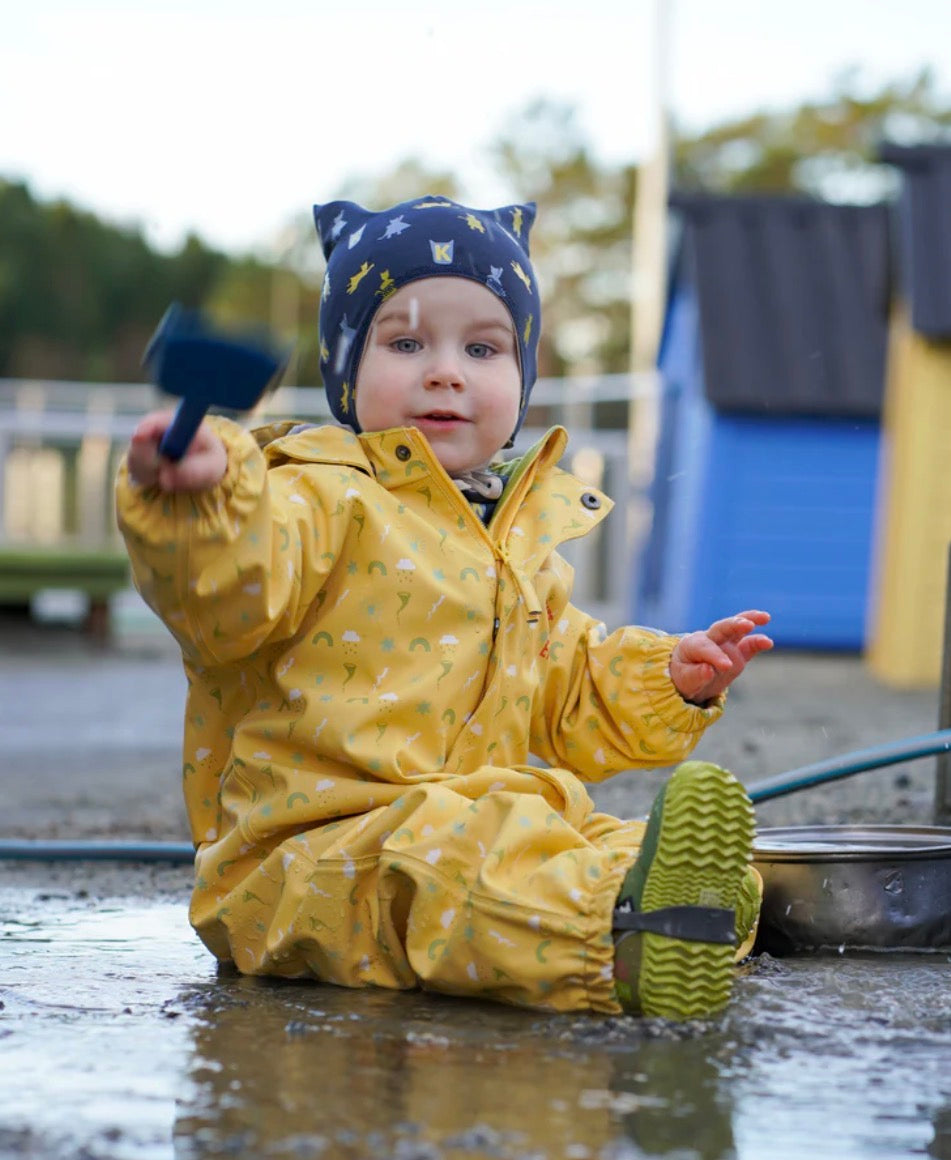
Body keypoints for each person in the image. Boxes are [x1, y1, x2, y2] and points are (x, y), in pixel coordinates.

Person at [116, 195, 772, 1019]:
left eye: (482, 347)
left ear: (521, 379)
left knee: (597, 838)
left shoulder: (513, 535)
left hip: (469, 824)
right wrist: (203, 504)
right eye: (404, 342)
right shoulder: (315, 497)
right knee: (462, 862)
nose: (445, 370)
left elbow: (565, 687)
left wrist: (669, 676)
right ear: (346, 371)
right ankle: (617, 936)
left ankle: (670, 912)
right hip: (318, 855)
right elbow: (228, 586)